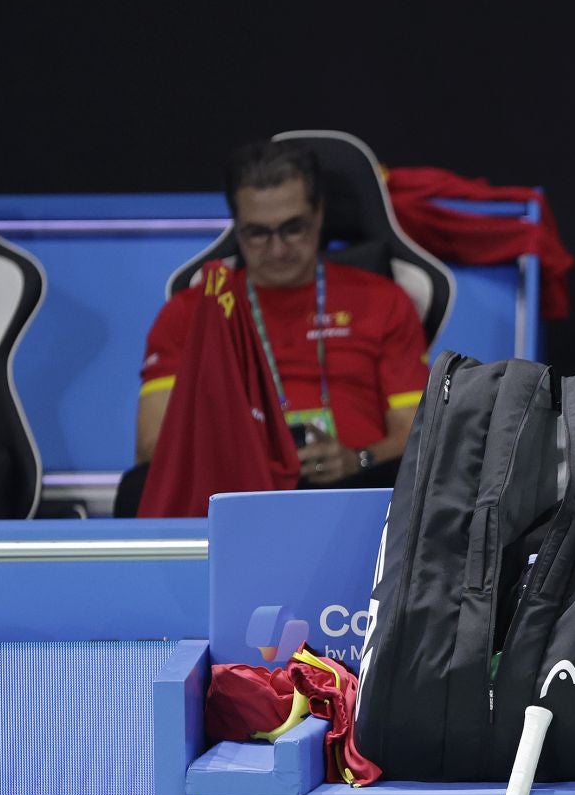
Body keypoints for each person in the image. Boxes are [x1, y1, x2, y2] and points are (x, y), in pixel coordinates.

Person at [117, 139, 429, 515]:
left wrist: (358, 458)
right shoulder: (191, 311)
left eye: (293, 228)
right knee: (139, 487)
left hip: (347, 486)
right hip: (233, 488)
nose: (278, 249)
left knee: (416, 484)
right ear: (237, 228)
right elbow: (152, 445)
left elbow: (415, 431)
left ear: (319, 214)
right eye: (259, 233)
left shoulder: (382, 300)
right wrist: (246, 454)